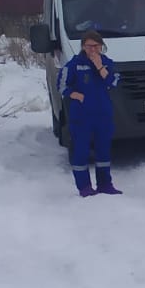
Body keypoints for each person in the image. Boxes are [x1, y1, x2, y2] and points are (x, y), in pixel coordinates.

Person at [57, 30, 122, 197]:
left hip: (103, 115)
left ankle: (105, 184)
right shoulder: (75, 64)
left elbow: (113, 82)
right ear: (83, 47)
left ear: (101, 46)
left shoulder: (107, 63)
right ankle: (84, 187)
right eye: (88, 46)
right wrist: (75, 95)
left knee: (103, 151)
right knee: (81, 151)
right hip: (82, 116)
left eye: (95, 46)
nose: (92, 49)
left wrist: (99, 66)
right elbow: (62, 85)